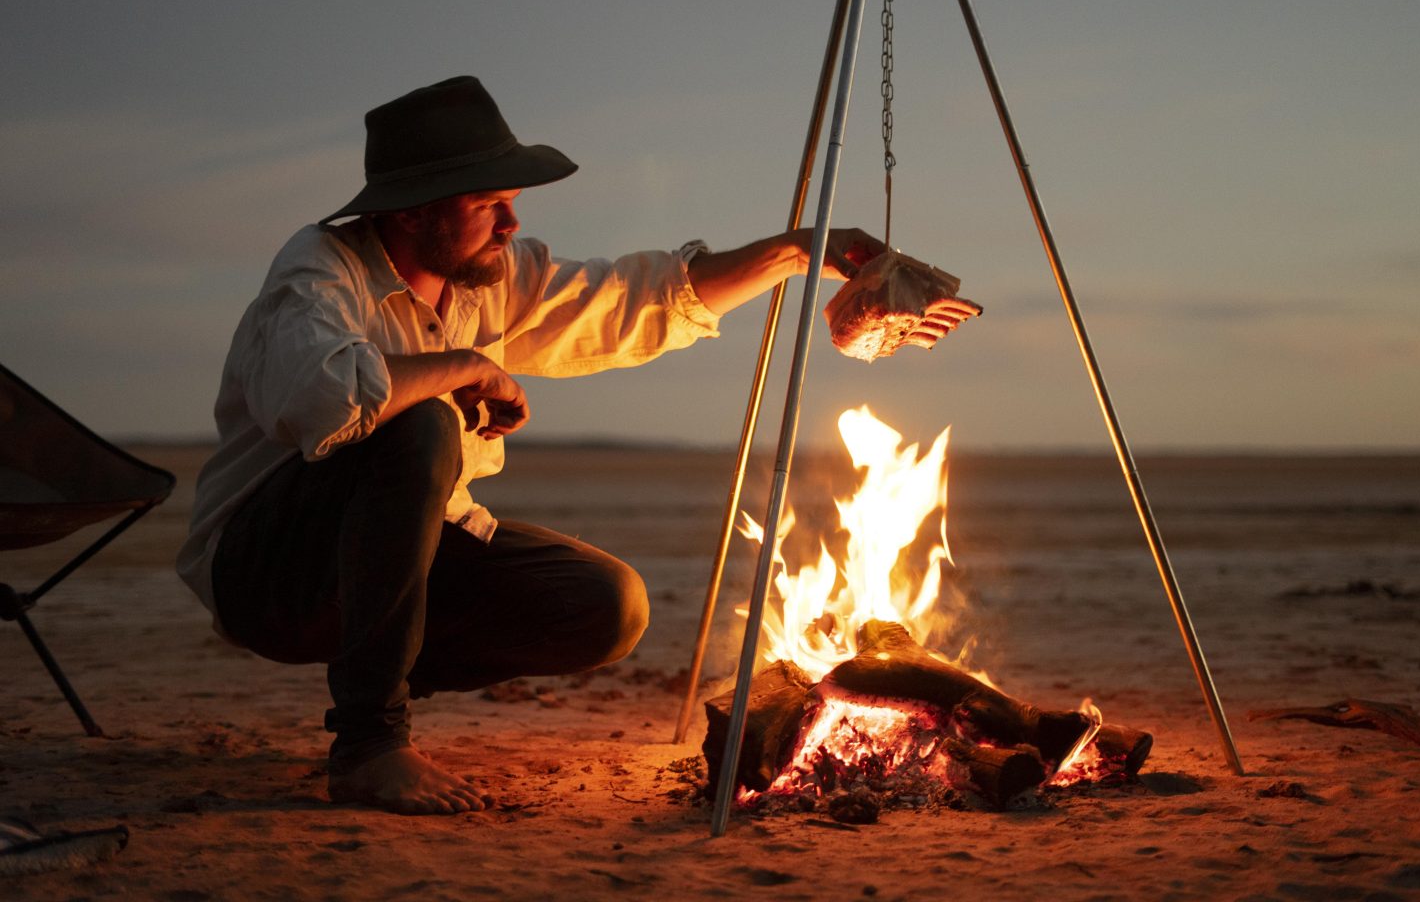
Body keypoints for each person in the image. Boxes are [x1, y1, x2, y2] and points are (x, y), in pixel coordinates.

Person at [176, 75, 976, 815]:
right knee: (416, 422)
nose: (513, 221)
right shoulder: (318, 272)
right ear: (413, 211)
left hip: (390, 562)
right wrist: (462, 367)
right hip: (269, 568)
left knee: (604, 606)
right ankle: (369, 745)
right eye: (490, 202)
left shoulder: (490, 278)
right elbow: (317, 398)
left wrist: (799, 252)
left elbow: (634, 300)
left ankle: (374, 662)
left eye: (512, 201)